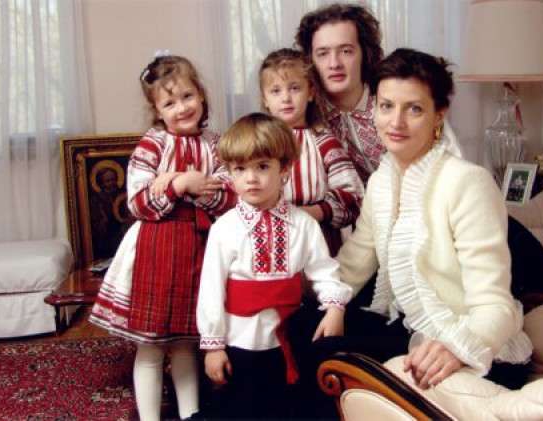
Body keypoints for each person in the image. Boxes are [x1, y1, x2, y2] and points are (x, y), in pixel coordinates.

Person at [333, 48, 532, 395]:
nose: (396, 123)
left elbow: (494, 304)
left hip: (473, 345)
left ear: (439, 115)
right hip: (412, 328)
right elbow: (352, 266)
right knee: (302, 328)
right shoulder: (381, 181)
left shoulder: (468, 182)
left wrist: (456, 348)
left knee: (328, 359)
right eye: (386, 106)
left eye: (414, 109)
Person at [89, 53, 234, 421]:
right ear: (157, 110)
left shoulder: (215, 144)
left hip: (199, 248)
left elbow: (228, 196)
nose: (181, 108)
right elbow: (138, 202)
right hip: (157, 250)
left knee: (186, 342)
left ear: (201, 95)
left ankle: (191, 415)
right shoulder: (152, 144)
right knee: (152, 345)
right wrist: (180, 184)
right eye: (170, 103)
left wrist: (193, 186)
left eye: (187, 96)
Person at [196, 113, 352, 419]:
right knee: (242, 409)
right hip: (239, 341)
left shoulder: (304, 224)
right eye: (240, 169)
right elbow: (211, 290)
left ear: (285, 169)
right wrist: (214, 346)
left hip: (289, 339)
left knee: (287, 408)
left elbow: (324, 271)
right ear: (229, 173)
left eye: (263, 166)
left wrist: (335, 308)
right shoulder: (224, 228)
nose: (251, 178)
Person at [296, 3, 461, 185]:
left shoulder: (398, 97)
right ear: (310, 60)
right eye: (323, 53)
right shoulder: (303, 115)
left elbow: (454, 167)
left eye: (346, 51)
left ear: (364, 53)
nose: (334, 63)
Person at [258, 48, 364, 255]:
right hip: (269, 239)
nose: (286, 98)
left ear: (311, 93)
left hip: (317, 238)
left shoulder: (324, 142)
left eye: (295, 88)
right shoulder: (257, 143)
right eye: (276, 91)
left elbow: (353, 196)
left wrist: (316, 211)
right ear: (265, 100)